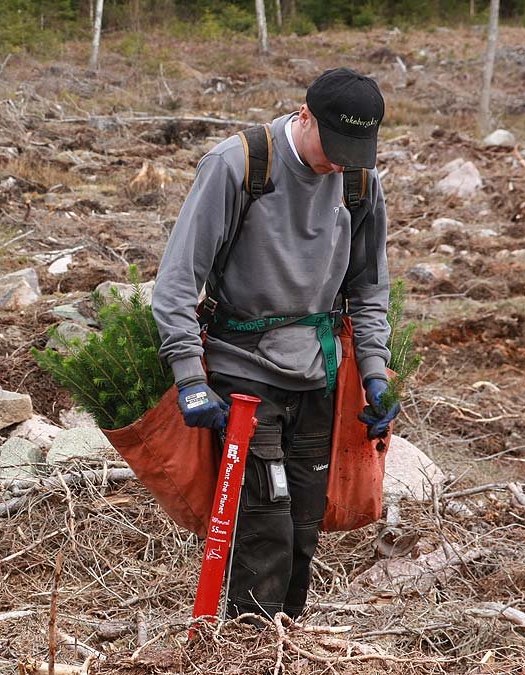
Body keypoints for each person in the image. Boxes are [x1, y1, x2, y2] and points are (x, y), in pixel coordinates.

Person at [151, 68, 400, 620]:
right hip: (241, 371)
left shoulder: (359, 181)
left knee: (304, 528)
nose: (339, 162)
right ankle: (247, 647)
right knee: (265, 523)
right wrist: (190, 377)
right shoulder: (238, 165)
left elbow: (368, 287)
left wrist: (375, 373)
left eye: (353, 151)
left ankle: (284, 641)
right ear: (304, 116)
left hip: (317, 372)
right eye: (333, 146)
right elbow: (176, 280)